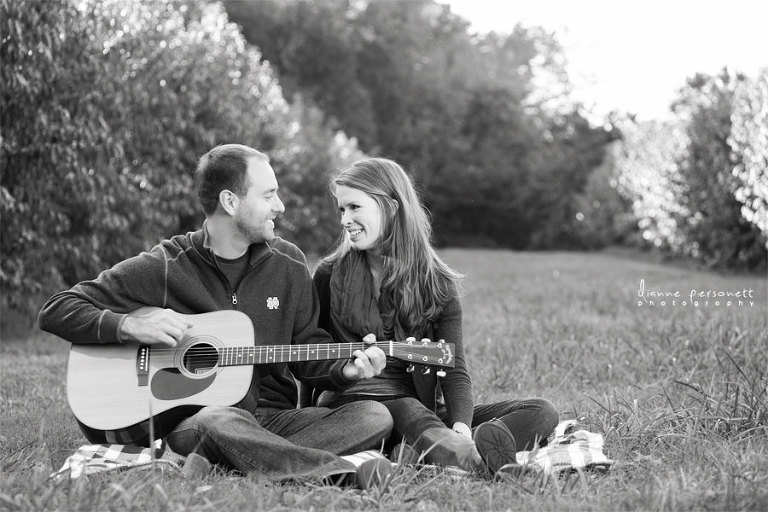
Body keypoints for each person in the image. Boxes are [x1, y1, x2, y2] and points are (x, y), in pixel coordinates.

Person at [38, 144, 394, 483]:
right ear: (230, 201)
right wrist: (131, 326)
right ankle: (338, 473)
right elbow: (57, 309)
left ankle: (228, 460)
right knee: (216, 421)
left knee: (373, 416)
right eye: (268, 195)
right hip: (201, 419)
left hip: (277, 419)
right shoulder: (168, 263)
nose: (280, 206)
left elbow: (308, 352)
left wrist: (345, 370)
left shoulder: (289, 264)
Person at [309, 157, 559, 476]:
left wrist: (461, 426)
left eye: (355, 207)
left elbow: (454, 369)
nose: (345, 219)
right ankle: (479, 462)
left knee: (540, 410)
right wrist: (306, 412)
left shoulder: (435, 281)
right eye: (342, 210)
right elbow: (309, 358)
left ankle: (430, 450)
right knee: (410, 410)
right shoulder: (330, 274)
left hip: (420, 408)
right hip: (356, 408)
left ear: (391, 207)